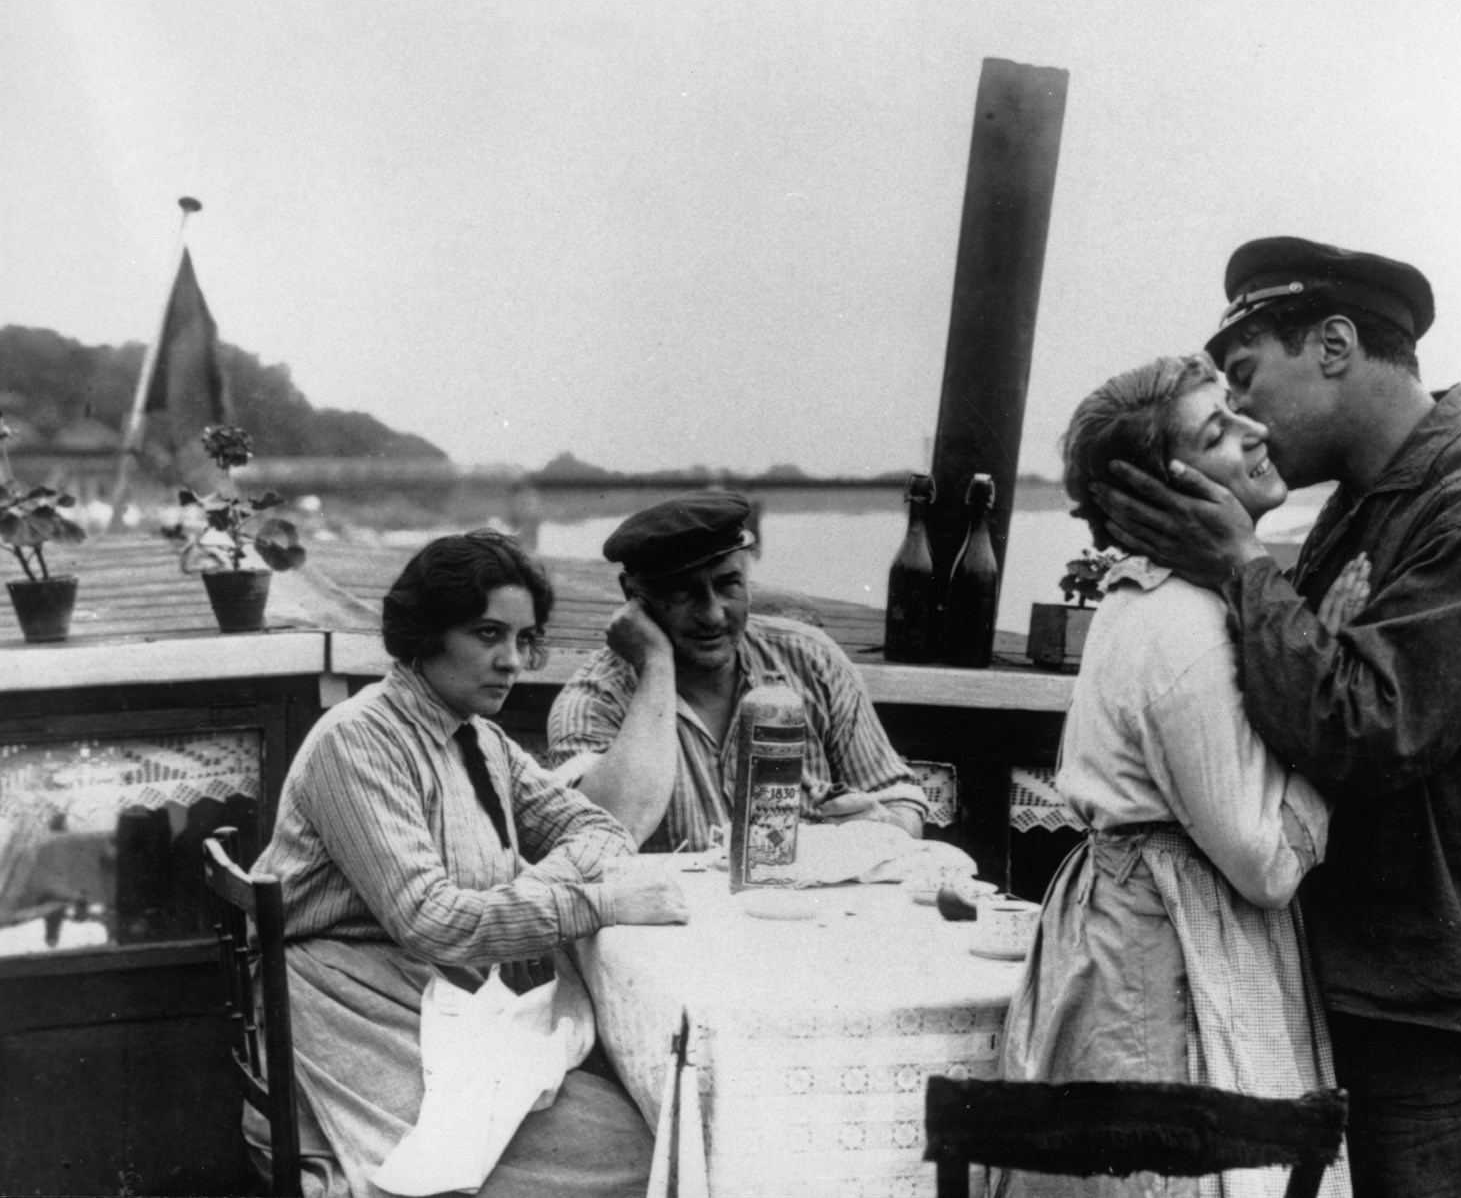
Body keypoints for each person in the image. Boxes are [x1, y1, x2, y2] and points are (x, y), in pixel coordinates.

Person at [1089, 238, 1461, 1198]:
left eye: (1246, 377)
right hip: (1387, 992)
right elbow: (1310, 690)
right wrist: (1273, 598)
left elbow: (1362, 731)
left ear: (1334, 343)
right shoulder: (1369, 509)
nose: (1242, 415)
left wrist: (1245, 569)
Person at [999, 353, 1358, 1198]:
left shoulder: (1174, 599)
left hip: (1148, 922)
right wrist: (1333, 703)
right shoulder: (1179, 623)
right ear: (1166, 487)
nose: (1255, 430)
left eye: (1238, 411)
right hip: (1167, 948)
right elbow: (1265, 864)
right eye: (1218, 431)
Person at [250, 529, 689, 1198]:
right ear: (426, 633)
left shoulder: (479, 738)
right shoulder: (358, 742)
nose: (512, 661)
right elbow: (431, 920)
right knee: (641, 1156)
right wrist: (593, 905)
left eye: (523, 638)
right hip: (351, 1010)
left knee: (648, 1131)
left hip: (441, 993)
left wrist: (539, 881)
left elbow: (599, 828)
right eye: (488, 633)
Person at [546, 491, 927, 851]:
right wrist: (656, 666)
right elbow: (606, 833)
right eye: (682, 593)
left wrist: (885, 825)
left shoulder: (813, 660)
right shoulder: (592, 702)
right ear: (632, 596)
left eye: (728, 585)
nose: (712, 614)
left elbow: (899, 799)